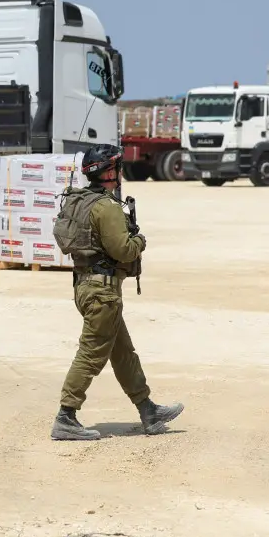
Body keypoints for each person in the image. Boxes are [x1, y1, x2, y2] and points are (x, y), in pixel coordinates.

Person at [50, 143, 184, 441]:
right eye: (117, 168)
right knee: (90, 354)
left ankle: (147, 409)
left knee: (123, 353)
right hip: (103, 294)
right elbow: (122, 250)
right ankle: (66, 416)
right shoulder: (107, 207)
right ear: (109, 172)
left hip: (89, 289)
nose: (120, 173)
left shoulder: (80, 201)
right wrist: (140, 241)